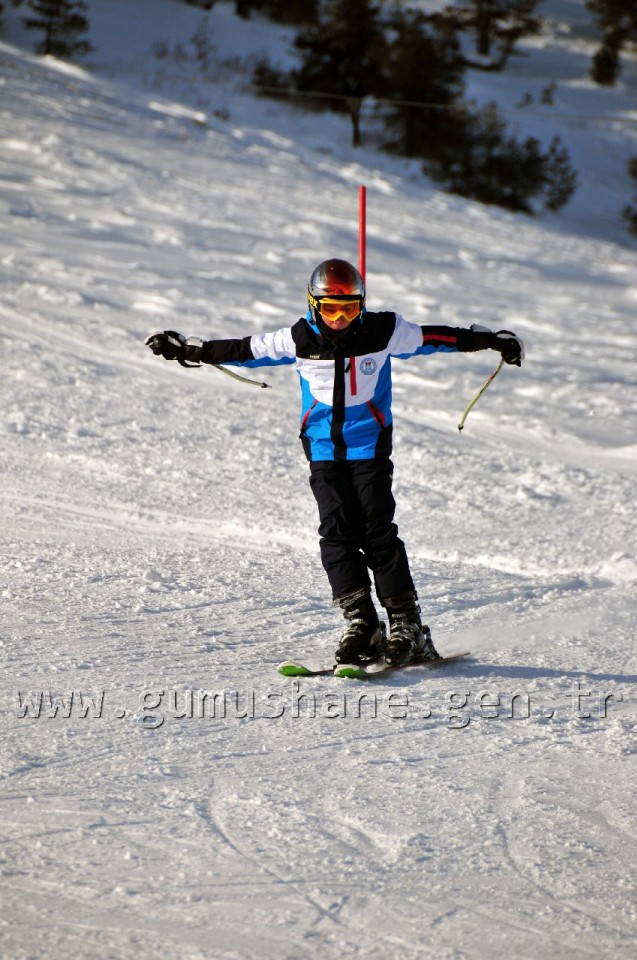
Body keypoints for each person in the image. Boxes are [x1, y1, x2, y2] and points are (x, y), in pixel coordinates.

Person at [145, 258, 524, 667]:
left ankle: (406, 625)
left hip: (369, 446)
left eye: (349, 308)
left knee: (378, 532)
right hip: (323, 449)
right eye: (330, 309)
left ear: (362, 304)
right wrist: (190, 349)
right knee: (337, 533)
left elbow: (435, 337)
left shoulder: (383, 331)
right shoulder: (299, 338)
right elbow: (244, 349)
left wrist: (489, 340)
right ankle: (363, 623)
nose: (340, 318)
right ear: (314, 304)